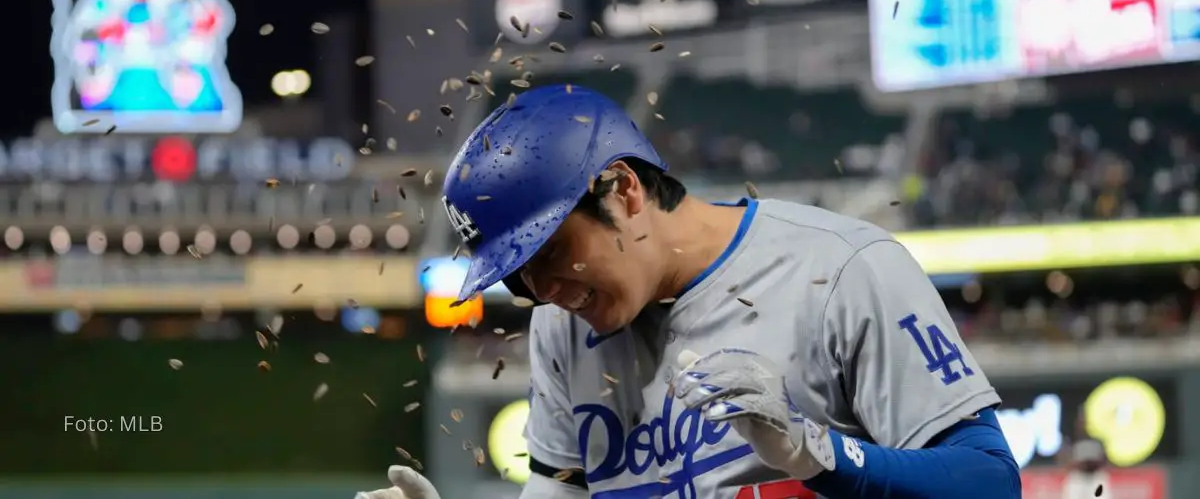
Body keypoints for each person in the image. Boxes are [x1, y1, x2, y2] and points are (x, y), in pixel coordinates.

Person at [357, 85, 1021, 499]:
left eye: (549, 253)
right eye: (517, 275)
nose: (544, 290)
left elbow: (990, 482)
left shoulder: (844, 269)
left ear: (623, 190)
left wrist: (817, 451)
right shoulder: (563, 327)